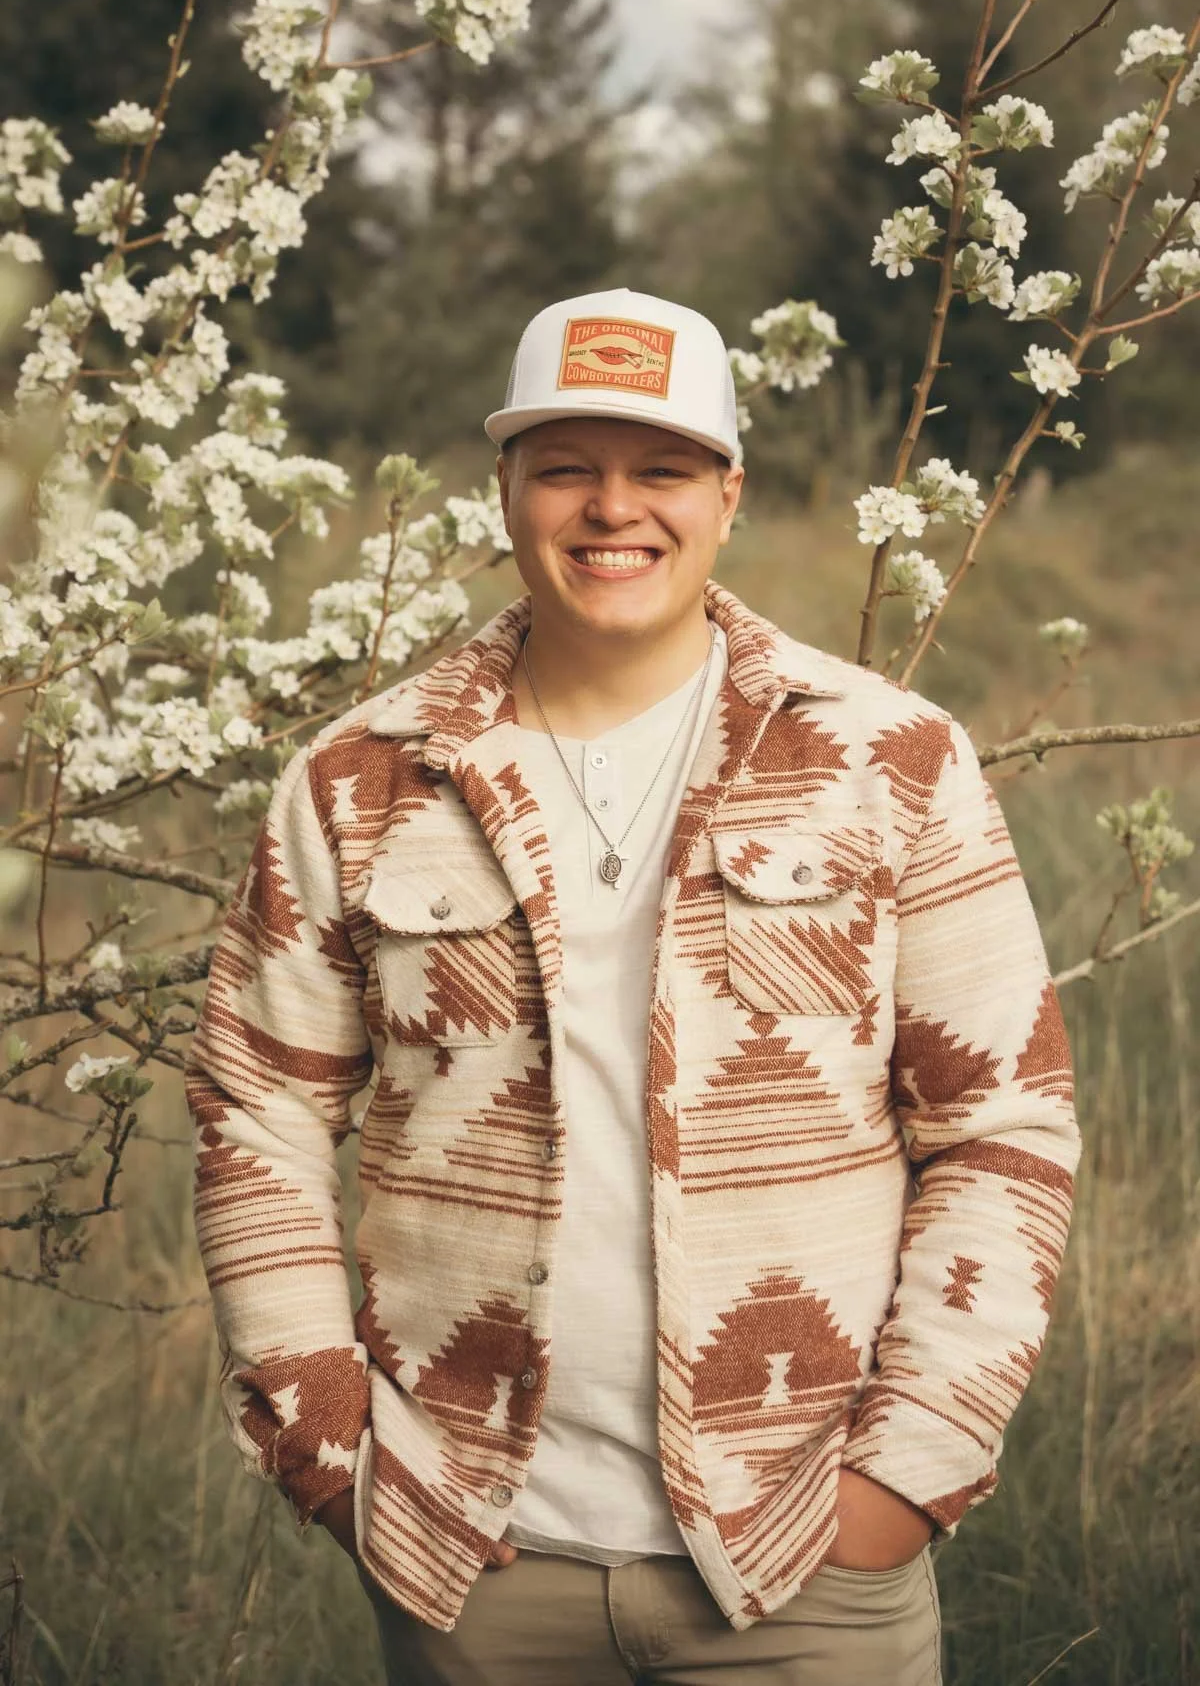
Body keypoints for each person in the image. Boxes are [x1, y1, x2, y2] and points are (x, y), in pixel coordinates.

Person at [185, 287, 1081, 1685]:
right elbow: (256, 1118)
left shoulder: (892, 759)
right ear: (508, 491)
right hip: (468, 1559)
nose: (614, 510)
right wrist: (331, 1453)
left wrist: (909, 1471)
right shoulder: (356, 780)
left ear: (729, 493)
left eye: (660, 468)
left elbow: (1003, 1126)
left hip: (802, 1561)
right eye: (567, 467)